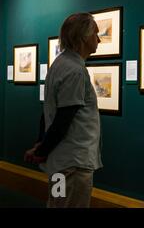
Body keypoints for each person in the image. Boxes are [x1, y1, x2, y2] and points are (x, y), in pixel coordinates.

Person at [24, 13, 102, 208]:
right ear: (84, 37)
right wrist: (42, 150)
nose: (99, 39)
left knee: (57, 203)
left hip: (60, 162)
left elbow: (48, 112)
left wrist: (42, 145)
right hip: (73, 164)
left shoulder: (59, 64)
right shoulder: (75, 70)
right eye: (96, 34)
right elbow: (63, 119)